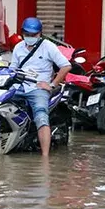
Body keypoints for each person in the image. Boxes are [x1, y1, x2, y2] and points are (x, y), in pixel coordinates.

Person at [9, 17, 72, 157]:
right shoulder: (18, 47)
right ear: (22, 33)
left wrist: (52, 84)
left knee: (41, 116)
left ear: (39, 34)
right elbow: (12, 69)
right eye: (27, 34)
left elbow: (66, 66)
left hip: (38, 88)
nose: (30, 37)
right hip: (19, 86)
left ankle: (44, 158)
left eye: (33, 35)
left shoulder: (48, 46)